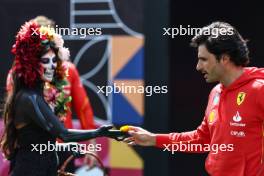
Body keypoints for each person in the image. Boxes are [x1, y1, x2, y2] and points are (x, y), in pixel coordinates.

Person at [124, 22, 264, 176]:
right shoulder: (216, 92)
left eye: (204, 59)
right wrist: (153, 139)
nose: (198, 66)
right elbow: (202, 139)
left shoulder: (259, 90)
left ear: (224, 58)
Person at [0, 20, 117, 176]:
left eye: (54, 60)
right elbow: (63, 134)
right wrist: (100, 132)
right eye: (45, 61)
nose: (52, 65)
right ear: (32, 63)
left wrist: (67, 147)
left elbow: (40, 144)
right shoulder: (29, 98)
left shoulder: (36, 94)